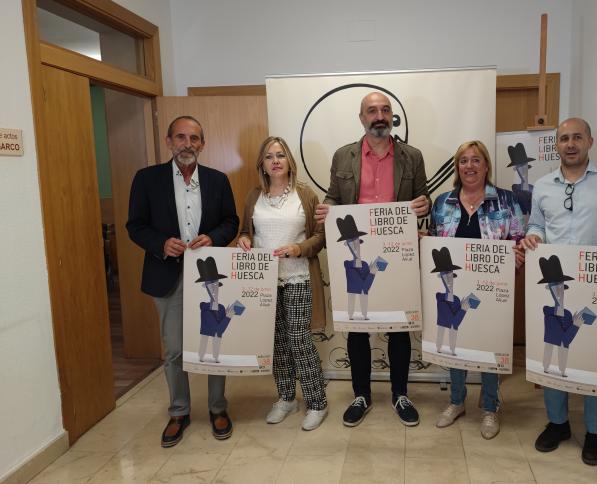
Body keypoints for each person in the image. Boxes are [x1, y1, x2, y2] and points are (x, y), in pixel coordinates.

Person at [520, 117, 597, 465]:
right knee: (554, 351)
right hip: (555, 284)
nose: (570, 144)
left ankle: (595, 432)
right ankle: (558, 424)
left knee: (596, 356)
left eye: (577, 137)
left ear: (590, 141)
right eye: (564, 138)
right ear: (556, 145)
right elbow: (536, 225)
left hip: (596, 281)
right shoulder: (543, 186)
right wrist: (535, 238)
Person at [314, 91, 430, 427]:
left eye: (384, 109)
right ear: (361, 117)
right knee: (357, 327)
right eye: (371, 111)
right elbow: (334, 197)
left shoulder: (412, 155)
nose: (379, 115)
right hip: (355, 251)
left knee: (398, 328)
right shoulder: (343, 156)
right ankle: (361, 395)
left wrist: (425, 205)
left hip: (395, 253)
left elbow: (425, 198)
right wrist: (327, 209)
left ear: (392, 115)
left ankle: (400, 394)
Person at [127, 116, 239, 447]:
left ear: (202, 144)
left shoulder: (218, 180)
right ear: (168, 141)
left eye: (194, 138)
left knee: (214, 342)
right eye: (180, 137)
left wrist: (214, 237)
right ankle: (179, 411)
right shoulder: (147, 179)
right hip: (167, 274)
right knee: (175, 349)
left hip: (209, 273)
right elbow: (135, 225)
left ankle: (218, 408)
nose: (187, 143)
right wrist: (160, 244)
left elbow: (231, 221)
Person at [428, 140, 525, 439]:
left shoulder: (507, 201)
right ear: (457, 167)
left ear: (486, 166)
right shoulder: (443, 201)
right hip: (453, 286)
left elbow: (521, 239)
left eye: (476, 160)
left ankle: (490, 408)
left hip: (492, 288)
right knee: (456, 343)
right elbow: (434, 239)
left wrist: (519, 254)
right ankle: (456, 402)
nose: (469, 166)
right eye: (464, 161)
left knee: (489, 344)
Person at [237, 136, 329, 431]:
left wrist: (298, 248)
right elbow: (245, 230)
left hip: (297, 277)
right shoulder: (254, 196)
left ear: (289, 160)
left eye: (280, 155)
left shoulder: (305, 194)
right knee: (276, 342)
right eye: (268, 156)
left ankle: (317, 402)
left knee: (299, 340)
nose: (275, 160)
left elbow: (320, 236)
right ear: (261, 164)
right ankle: (286, 397)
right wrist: (245, 239)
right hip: (264, 282)